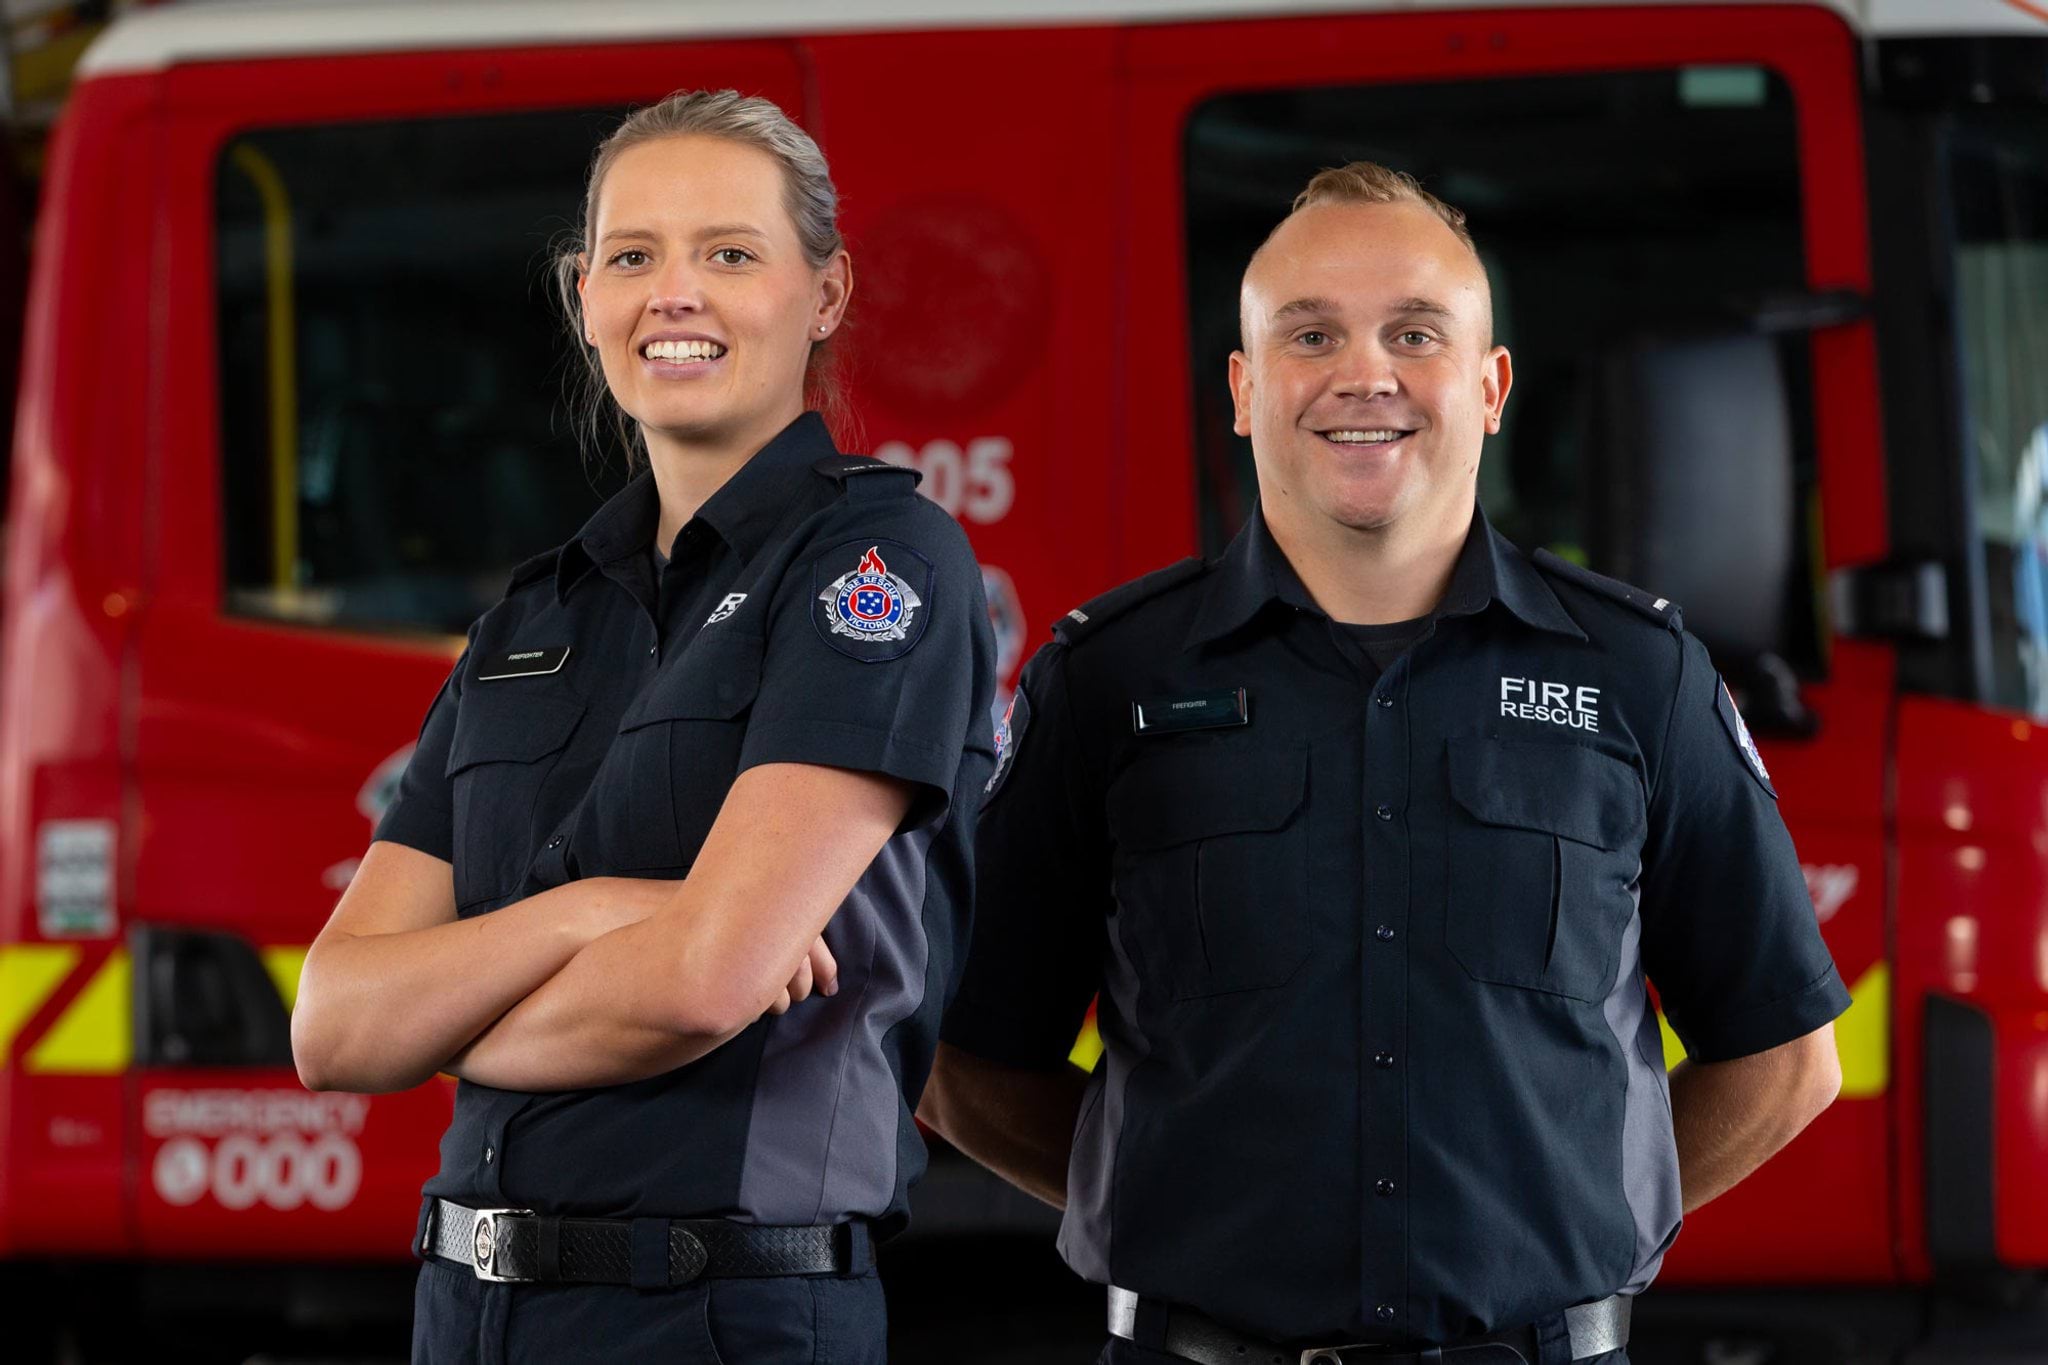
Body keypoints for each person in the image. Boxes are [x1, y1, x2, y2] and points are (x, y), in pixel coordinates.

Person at [920, 162, 1848, 1365]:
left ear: (1489, 383)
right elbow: (963, 1063)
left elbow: (1782, 1063)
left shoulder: (1638, 674)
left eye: (1414, 331)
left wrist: (1579, 1225)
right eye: (1311, 335)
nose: (1364, 375)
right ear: (1246, 391)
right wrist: (1161, 1207)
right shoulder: (1106, 681)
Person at [291, 89, 995, 1364]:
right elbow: (334, 1026)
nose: (674, 293)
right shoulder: (528, 619)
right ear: (582, 298)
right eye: (632, 257)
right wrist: (598, 911)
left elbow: (698, 986)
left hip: (720, 1313)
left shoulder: (876, 562)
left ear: (823, 294)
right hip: (464, 1312)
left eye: (728, 253)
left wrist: (444, 1013)